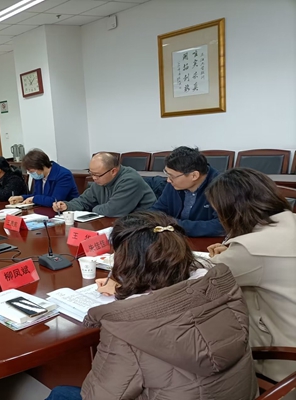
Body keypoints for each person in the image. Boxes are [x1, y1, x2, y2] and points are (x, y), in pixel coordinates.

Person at [46, 211, 258, 400]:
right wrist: (128, 288)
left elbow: (101, 396)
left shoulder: (126, 327)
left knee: (60, 393)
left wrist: (128, 293)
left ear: (126, 262)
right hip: (240, 393)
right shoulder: (222, 287)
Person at [205, 168, 296, 384]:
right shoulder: (290, 222)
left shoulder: (250, 249)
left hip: (281, 362)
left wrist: (230, 254)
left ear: (230, 210)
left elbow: (204, 281)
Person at [150, 146, 224, 237]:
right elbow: (156, 211)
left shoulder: (222, 187)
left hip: (209, 242)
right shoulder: (174, 184)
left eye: (172, 176)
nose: (168, 180)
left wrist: (175, 225)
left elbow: (220, 226)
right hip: (176, 239)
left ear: (194, 176)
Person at [53, 152, 156, 217]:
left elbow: (112, 211)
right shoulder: (101, 181)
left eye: (97, 175)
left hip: (143, 225)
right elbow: (84, 201)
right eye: (91, 173)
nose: (94, 178)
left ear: (113, 171)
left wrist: (94, 208)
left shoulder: (130, 180)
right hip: (117, 223)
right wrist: (67, 206)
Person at [9, 149, 79, 207]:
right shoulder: (40, 175)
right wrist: (21, 198)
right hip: (45, 211)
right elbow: (36, 195)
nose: (32, 174)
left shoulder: (63, 175)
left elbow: (55, 201)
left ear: (41, 166)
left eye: (32, 172)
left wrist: (33, 199)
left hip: (66, 213)